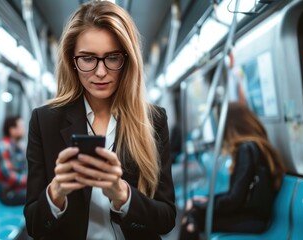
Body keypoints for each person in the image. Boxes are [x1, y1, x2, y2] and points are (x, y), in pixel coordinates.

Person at [23, 1, 177, 239]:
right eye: (87, 59)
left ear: (127, 60)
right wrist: (56, 192)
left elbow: (166, 218)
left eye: (112, 58)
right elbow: (34, 225)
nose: (101, 72)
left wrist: (122, 195)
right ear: (72, 62)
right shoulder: (45, 121)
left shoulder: (152, 120)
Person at [178, 102, 286, 240]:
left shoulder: (246, 149)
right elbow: (238, 194)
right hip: (255, 216)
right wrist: (206, 200)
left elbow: (234, 199)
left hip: (252, 220)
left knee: (192, 215)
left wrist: (200, 203)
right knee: (194, 214)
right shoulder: (257, 145)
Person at [0, 115, 27, 206]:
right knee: (40, 197)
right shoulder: (3, 147)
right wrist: (29, 181)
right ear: (12, 130)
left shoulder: (19, 146)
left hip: (19, 190)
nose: (23, 130)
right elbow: (8, 175)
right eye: (21, 127)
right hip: (9, 194)